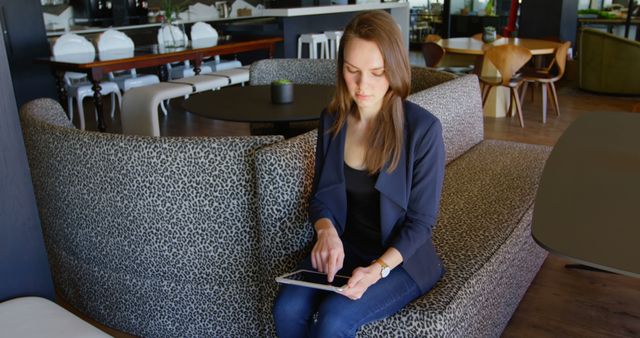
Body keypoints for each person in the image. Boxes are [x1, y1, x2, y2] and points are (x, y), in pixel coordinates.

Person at [273, 10, 445, 337]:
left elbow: (420, 224)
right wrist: (326, 232)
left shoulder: (423, 130)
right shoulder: (333, 119)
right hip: (347, 248)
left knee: (334, 320)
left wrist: (377, 270)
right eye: (352, 71)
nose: (362, 85)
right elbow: (322, 196)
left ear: (394, 70)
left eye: (377, 72)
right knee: (287, 308)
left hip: (399, 261)